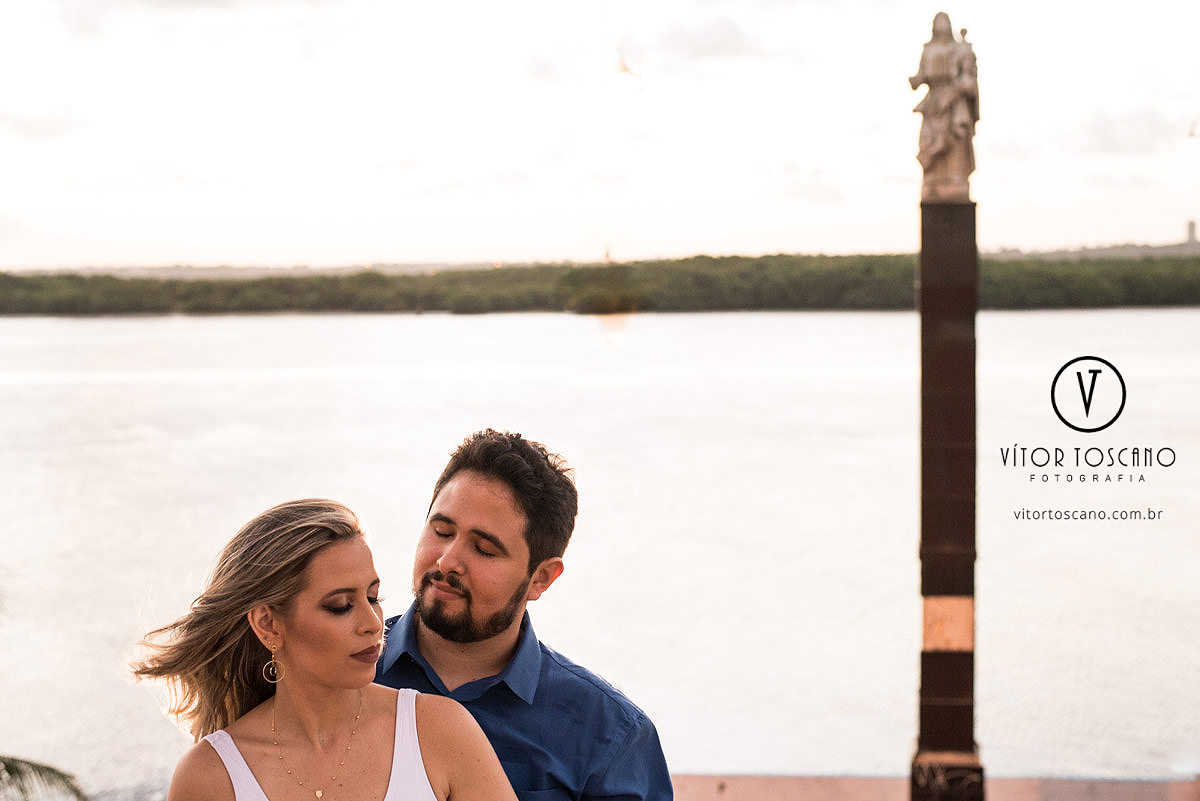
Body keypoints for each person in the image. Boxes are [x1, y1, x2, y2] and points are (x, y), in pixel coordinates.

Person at [132, 498, 517, 801]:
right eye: (340, 606)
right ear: (268, 623)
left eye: (373, 596)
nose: (372, 622)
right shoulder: (211, 777)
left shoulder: (438, 731)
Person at [375, 430, 673, 801]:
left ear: (541, 578)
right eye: (441, 530)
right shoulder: (339, 672)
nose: (448, 560)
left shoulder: (610, 736)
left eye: (484, 549)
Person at [909, 11, 979, 201]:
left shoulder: (959, 50)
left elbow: (969, 81)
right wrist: (915, 80)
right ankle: (934, 183)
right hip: (933, 105)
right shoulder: (928, 49)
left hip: (953, 103)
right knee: (930, 143)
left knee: (954, 141)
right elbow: (921, 75)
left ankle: (955, 182)